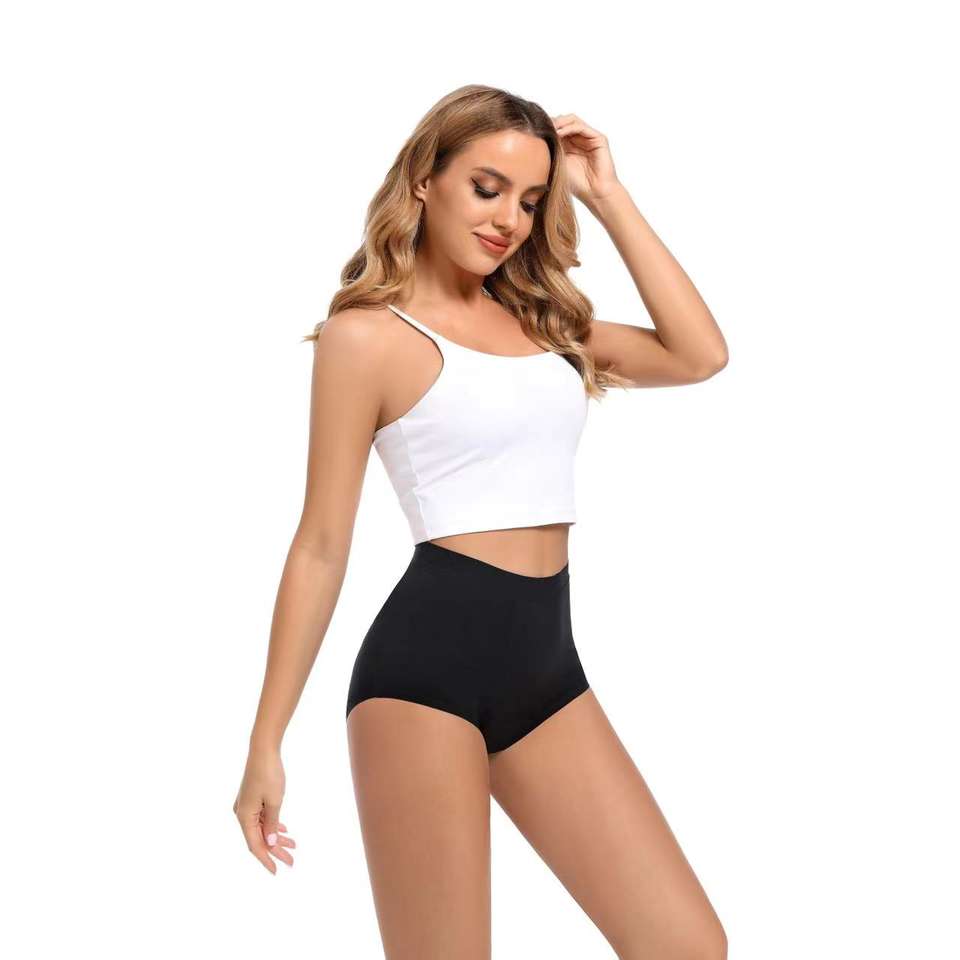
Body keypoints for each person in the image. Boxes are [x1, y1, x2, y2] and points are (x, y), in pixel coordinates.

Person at [233, 84, 729, 960]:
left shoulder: (548, 325)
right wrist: (266, 742)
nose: (509, 219)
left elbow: (699, 354)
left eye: (531, 201)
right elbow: (321, 545)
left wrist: (607, 195)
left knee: (688, 946)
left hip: (547, 669)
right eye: (487, 188)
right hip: (423, 679)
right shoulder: (366, 337)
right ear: (425, 179)